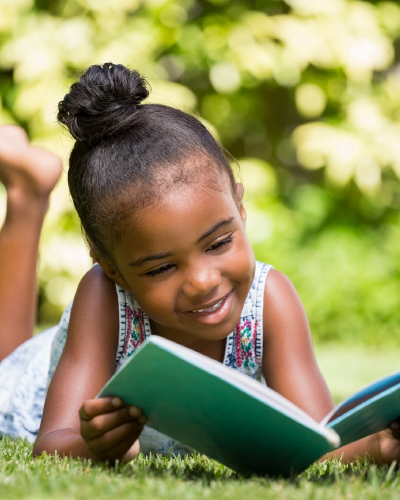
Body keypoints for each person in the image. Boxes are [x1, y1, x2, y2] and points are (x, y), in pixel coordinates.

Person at [0, 63, 399, 467]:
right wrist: (94, 446)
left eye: (219, 243)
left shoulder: (270, 300)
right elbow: (52, 443)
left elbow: (316, 439)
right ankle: (26, 196)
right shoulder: (103, 294)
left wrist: (380, 445)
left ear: (240, 208)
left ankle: (28, 189)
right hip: (26, 385)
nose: (203, 282)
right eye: (160, 269)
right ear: (112, 267)